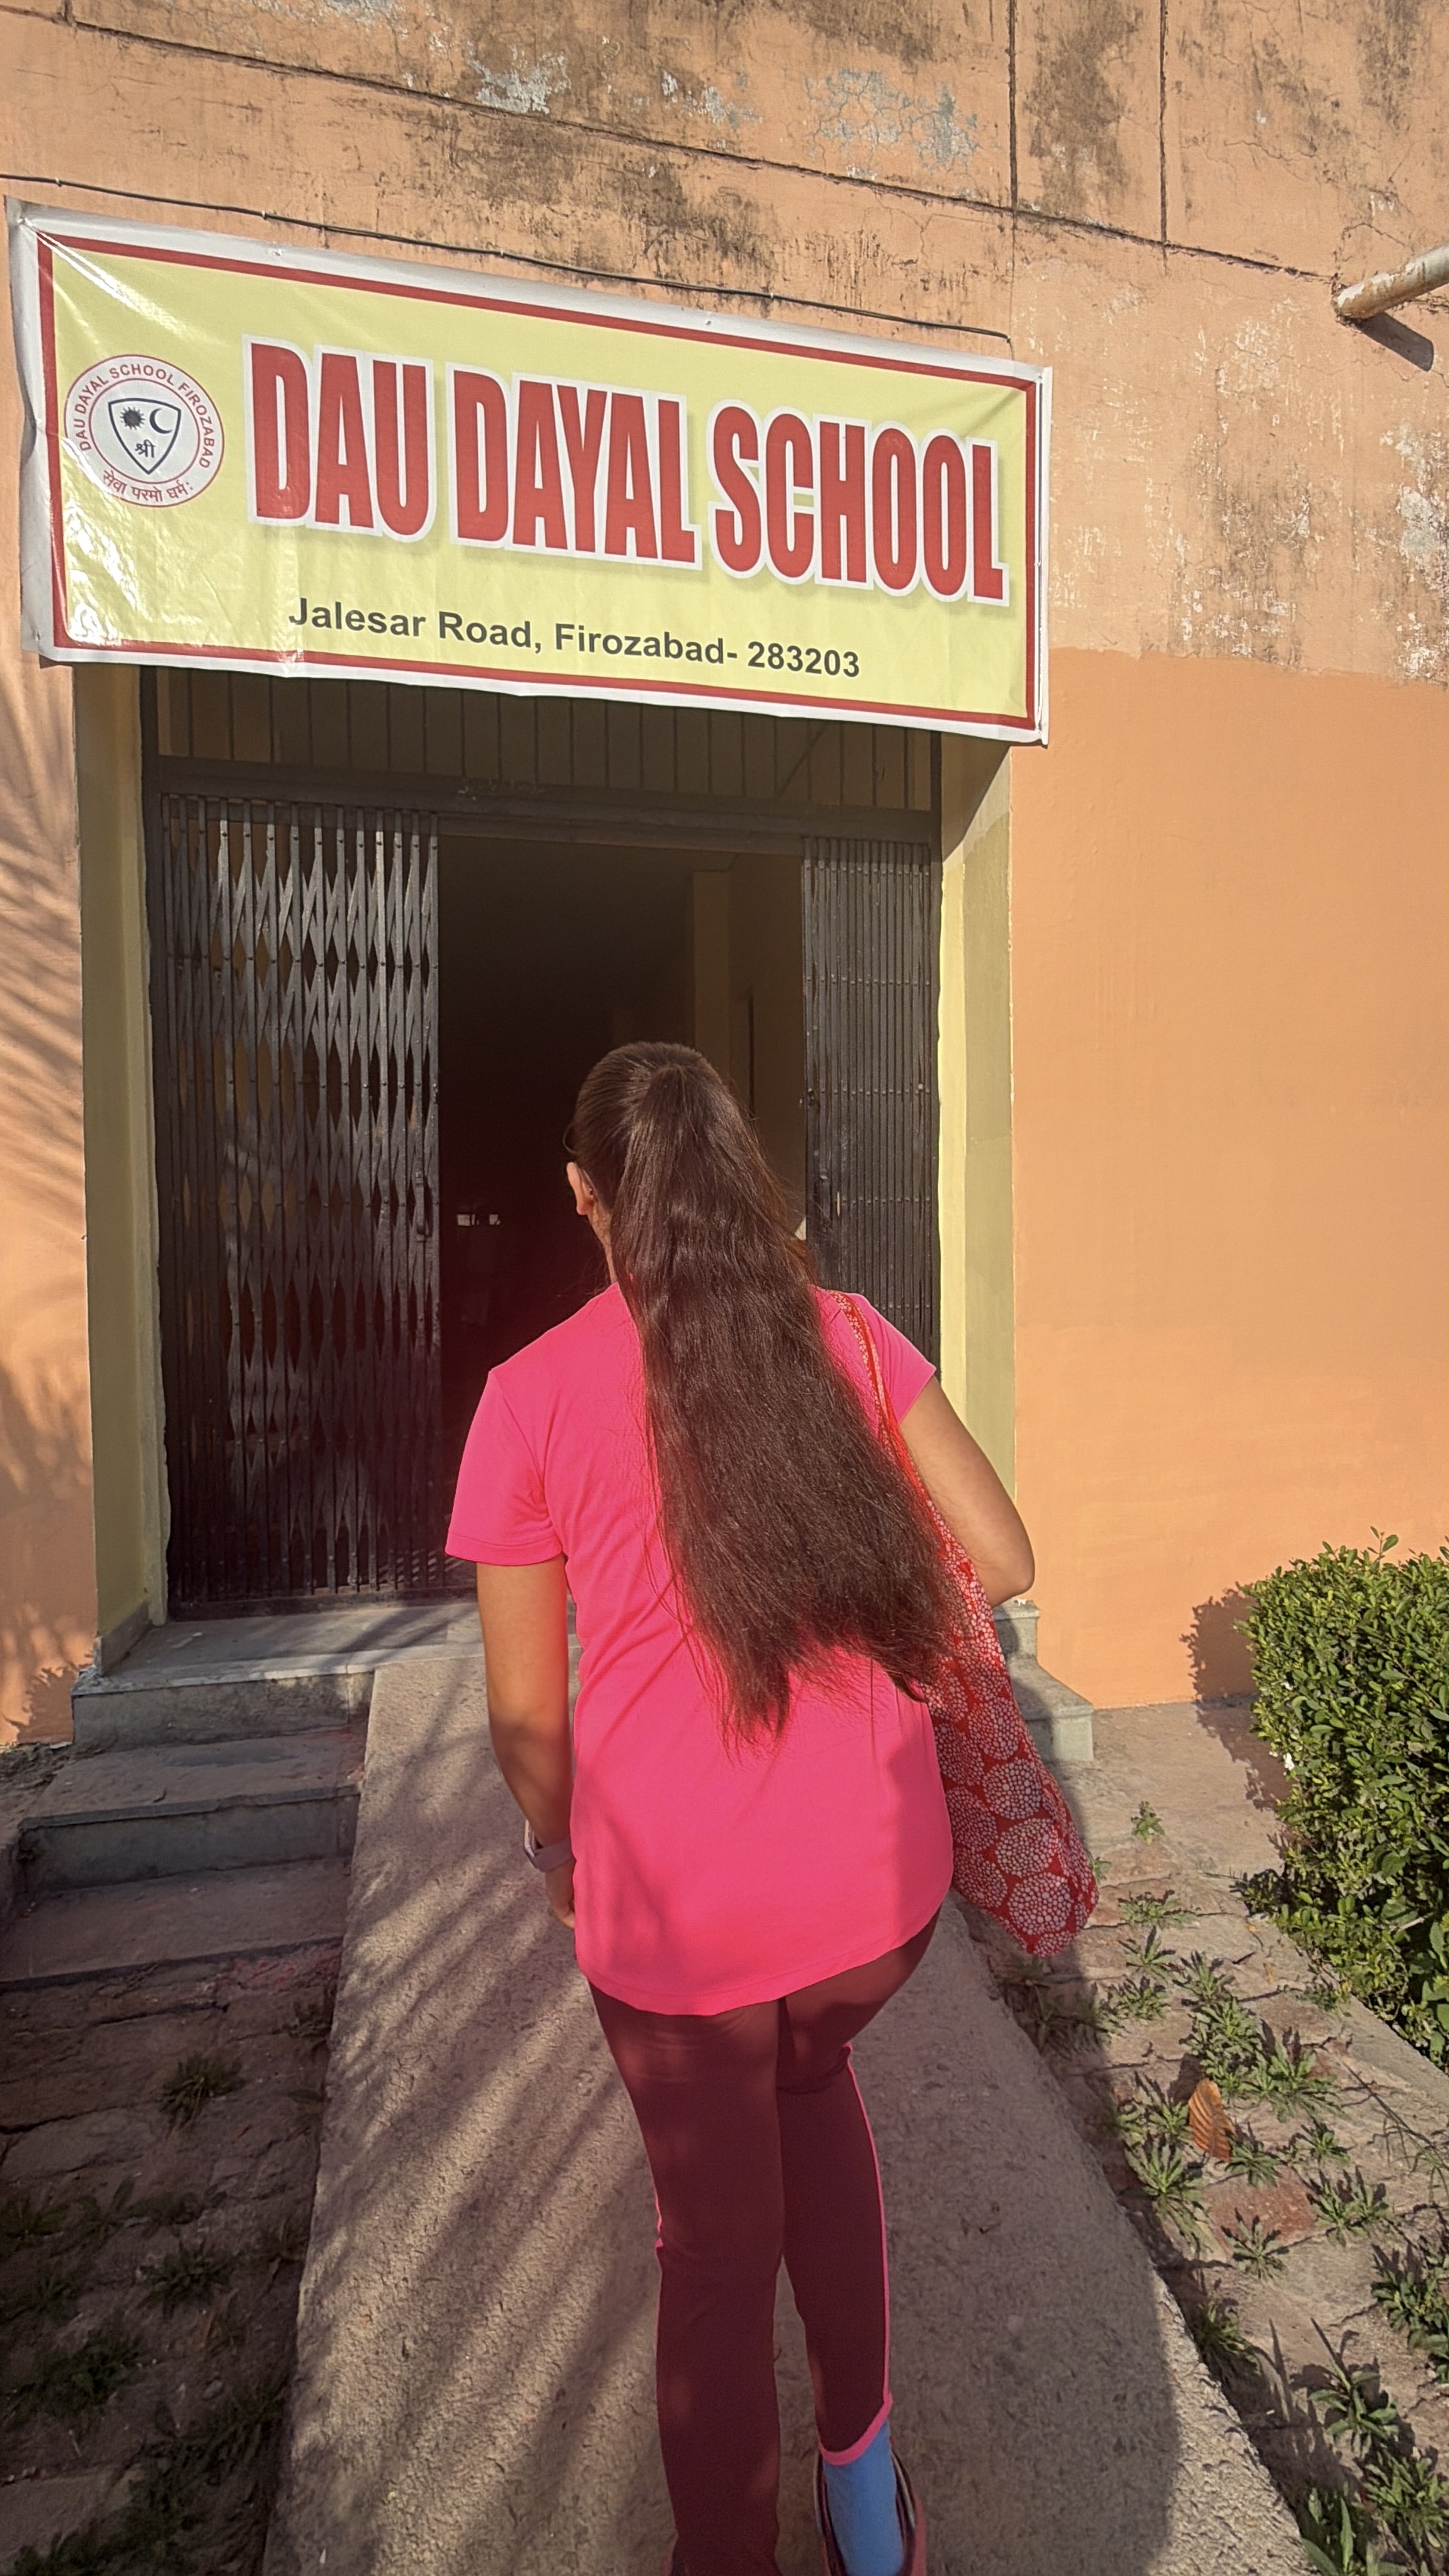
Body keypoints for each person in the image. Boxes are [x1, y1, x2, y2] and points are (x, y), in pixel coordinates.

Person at [446, 1043, 1034, 2576]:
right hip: (875, 1892)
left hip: (680, 1922)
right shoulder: (845, 1331)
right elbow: (1007, 1554)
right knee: (814, 2099)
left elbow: (525, 1724)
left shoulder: (524, 1399)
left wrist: (557, 1853)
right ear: (740, 1173)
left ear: (587, 1198)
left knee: (713, 2244)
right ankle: (865, 2511)